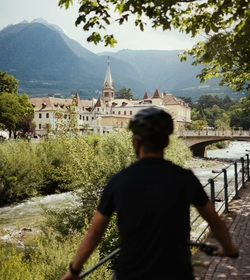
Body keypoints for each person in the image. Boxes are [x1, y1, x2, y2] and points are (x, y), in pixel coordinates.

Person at [60, 107, 238, 280]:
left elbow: (94, 234)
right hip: (176, 273)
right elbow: (214, 220)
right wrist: (228, 248)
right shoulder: (185, 178)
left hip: (129, 274)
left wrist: (74, 270)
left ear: (136, 142)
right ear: (167, 142)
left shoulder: (119, 181)